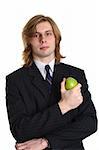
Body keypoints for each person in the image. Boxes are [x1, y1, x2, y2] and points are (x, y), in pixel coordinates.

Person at [6, 15, 97, 150]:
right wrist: (64, 106)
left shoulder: (76, 74)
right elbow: (20, 130)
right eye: (36, 35)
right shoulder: (15, 80)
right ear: (28, 41)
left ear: (56, 38)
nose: (43, 40)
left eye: (48, 34)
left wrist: (46, 141)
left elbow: (90, 123)